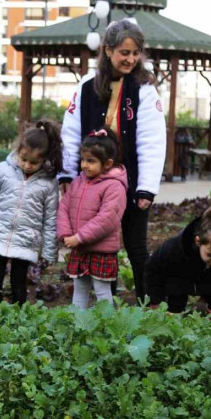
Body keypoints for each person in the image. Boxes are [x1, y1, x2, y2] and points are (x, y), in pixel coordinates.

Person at [59, 20, 166, 303]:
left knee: (136, 246)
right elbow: (70, 133)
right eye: (124, 52)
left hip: (128, 182)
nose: (130, 59)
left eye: (135, 53)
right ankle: (108, 303)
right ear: (107, 50)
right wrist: (68, 175)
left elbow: (152, 141)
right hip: (90, 182)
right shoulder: (85, 86)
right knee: (100, 245)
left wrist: (146, 188)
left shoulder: (144, 90)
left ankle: (147, 304)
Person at [0, 120, 62, 304]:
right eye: (23, 159)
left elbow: (51, 219)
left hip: (26, 240)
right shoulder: (2, 170)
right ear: (17, 150)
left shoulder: (49, 183)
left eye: (34, 162)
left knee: (19, 283)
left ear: (44, 159)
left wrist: (50, 251)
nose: (27, 165)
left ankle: (18, 318)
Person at [57, 129, 128, 309]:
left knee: (102, 291)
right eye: (83, 160)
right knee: (79, 288)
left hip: (100, 250)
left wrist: (79, 237)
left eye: (91, 161)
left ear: (107, 163)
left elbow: (107, 219)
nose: (84, 165)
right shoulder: (79, 181)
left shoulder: (114, 186)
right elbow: (64, 206)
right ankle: (78, 324)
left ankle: (109, 328)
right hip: (80, 248)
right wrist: (65, 233)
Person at [145, 205, 211, 321]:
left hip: (209, 276)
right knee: (176, 300)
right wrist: (155, 300)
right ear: (198, 241)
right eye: (210, 255)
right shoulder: (174, 249)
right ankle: (172, 327)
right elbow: (151, 268)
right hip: (180, 275)